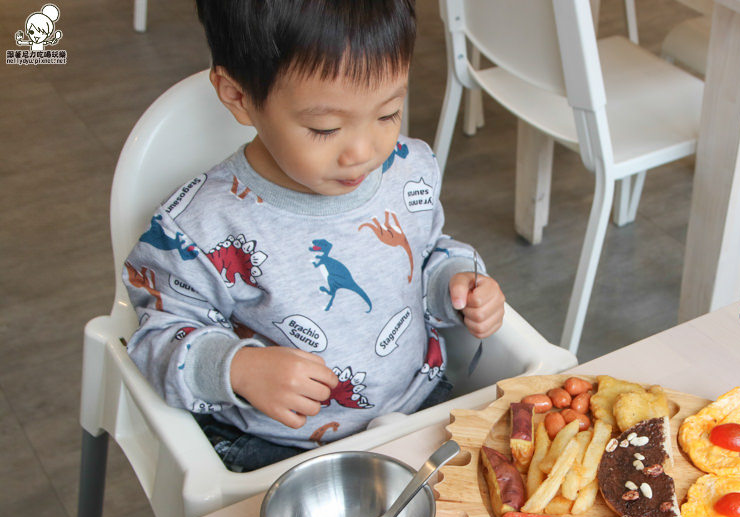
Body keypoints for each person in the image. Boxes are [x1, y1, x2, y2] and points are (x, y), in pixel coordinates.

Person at [123, 0, 505, 472]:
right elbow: (154, 338)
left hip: (418, 403)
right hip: (278, 446)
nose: (364, 153)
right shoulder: (201, 225)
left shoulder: (408, 170)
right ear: (238, 96)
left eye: (388, 114)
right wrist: (238, 369)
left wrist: (457, 283)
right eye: (325, 129)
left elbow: (427, 253)